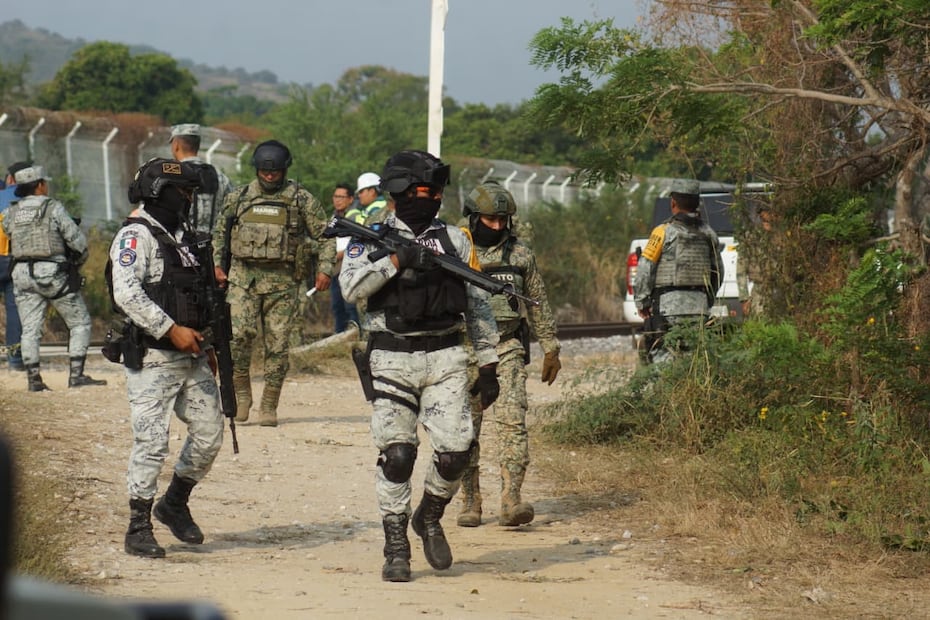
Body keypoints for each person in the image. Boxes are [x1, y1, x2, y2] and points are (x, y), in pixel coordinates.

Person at [340, 149, 501, 583]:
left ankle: (429, 516)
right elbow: (351, 288)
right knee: (398, 455)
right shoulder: (368, 237)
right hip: (391, 356)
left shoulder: (457, 240)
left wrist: (488, 362)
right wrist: (396, 261)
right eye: (419, 191)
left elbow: (478, 302)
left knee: (455, 454)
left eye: (434, 192)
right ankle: (396, 544)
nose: (427, 199)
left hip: (447, 356)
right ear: (399, 192)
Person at [108, 157, 223, 558]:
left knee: (210, 435)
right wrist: (170, 329)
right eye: (185, 193)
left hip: (192, 356)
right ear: (161, 192)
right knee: (152, 442)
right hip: (154, 356)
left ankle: (174, 503)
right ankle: (138, 525)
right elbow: (127, 293)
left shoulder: (184, 236)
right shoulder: (135, 236)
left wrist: (207, 343)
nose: (189, 200)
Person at [457, 181, 561, 528]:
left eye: (503, 220)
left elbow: (538, 301)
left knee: (513, 422)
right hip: (463, 351)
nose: (498, 226)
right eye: (490, 220)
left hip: (507, 348)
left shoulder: (520, 254)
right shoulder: (454, 248)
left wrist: (551, 347)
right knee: (463, 431)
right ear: (473, 218)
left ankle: (511, 498)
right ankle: (470, 499)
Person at [212, 140, 335, 427]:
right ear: (257, 170)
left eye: (275, 172)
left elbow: (326, 236)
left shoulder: (301, 199)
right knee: (237, 337)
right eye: (265, 172)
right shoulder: (239, 197)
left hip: (283, 283)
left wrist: (325, 269)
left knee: (278, 345)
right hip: (243, 279)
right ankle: (242, 395)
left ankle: (269, 404)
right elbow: (220, 233)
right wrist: (217, 265)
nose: (269, 176)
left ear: (284, 170)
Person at [2, 165, 105, 391]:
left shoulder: (11, 211)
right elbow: (77, 241)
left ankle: (34, 379)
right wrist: (75, 264)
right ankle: (77, 375)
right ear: (40, 185)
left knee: (30, 329)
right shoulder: (53, 207)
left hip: (21, 275)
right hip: (53, 275)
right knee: (80, 322)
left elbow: (10, 234)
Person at [633, 179, 723, 364]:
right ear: (697, 203)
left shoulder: (662, 232)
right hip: (699, 308)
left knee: (664, 357)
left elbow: (645, 268)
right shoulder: (710, 234)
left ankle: (667, 392)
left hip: (667, 309)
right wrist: (708, 299)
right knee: (694, 358)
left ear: (672, 203)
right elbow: (718, 272)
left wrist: (642, 301)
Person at [168, 123, 234, 235]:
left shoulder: (170, 176)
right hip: (212, 248)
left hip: (178, 247)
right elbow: (231, 211)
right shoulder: (221, 177)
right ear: (198, 145)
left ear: (176, 145)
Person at [0, 163, 28, 371]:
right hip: (17, 260)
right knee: (15, 310)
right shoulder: (31, 201)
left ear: (10, 179)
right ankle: (15, 360)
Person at [329, 182, 360, 333]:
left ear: (350, 199)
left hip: (350, 269)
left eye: (341, 197)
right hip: (336, 270)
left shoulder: (355, 216)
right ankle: (339, 338)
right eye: (336, 196)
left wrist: (339, 254)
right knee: (337, 306)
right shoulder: (334, 217)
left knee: (350, 306)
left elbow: (358, 241)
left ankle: (357, 336)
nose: (338, 200)